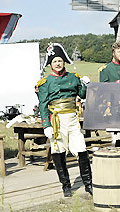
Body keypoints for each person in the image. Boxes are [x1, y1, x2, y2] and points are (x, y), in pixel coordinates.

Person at [36, 43, 92, 197]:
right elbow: (43, 105)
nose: (58, 63)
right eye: (55, 61)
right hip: (56, 121)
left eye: (60, 60)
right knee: (59, 153)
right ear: (50, 64)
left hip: (73, 119)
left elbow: (82, 94)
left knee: (82, 150)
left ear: (64, 61)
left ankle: (88, 184)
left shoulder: (73, 78)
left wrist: (86, 86)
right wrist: (46, 125)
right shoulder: (45, 83)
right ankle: (66, 186)